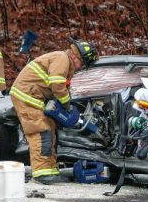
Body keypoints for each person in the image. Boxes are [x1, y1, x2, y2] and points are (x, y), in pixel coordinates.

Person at [10, 40, 99, 184]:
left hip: (35, 97)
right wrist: (66, 103)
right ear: (77, 57)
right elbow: (57, 84)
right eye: (82, 64)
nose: (81, 67)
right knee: (41, 131)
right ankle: (41, 173)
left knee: (50, 131)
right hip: (28, 97)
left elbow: (60, 86)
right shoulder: (62, 59)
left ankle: (50, 170)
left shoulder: (65, 63)